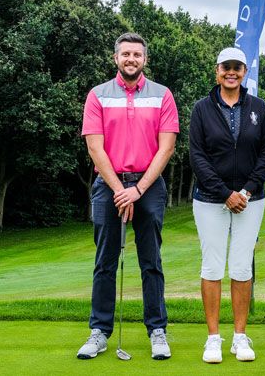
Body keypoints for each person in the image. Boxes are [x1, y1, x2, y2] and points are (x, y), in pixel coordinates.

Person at [77, 32, 179, 360]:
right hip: (109, 186)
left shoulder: (162, 95)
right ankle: (99, 332)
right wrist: (121, 191)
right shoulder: (98, 95)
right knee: (105, 261)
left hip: (148, 186)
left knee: (151, 261)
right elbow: (95, 146)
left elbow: (166, 148)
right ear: (116, 58)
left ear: (144, 59)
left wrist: (137, 190)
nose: (131, 59)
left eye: (137, 54)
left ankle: (157, 330)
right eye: (125, 54)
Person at [188, 47, 265, 364]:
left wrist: (247, 191)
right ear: (217, 71)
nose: (232, 72)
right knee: (212, 266)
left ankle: (240, 336)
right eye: (226, 67)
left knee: (240, 266)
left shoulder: (258, 107)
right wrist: (225, 192)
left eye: (238, 67)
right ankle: (213, 338)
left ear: (244, 72)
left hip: (251, 200)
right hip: (211, 199)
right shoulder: (201, 109)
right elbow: (197, 156)